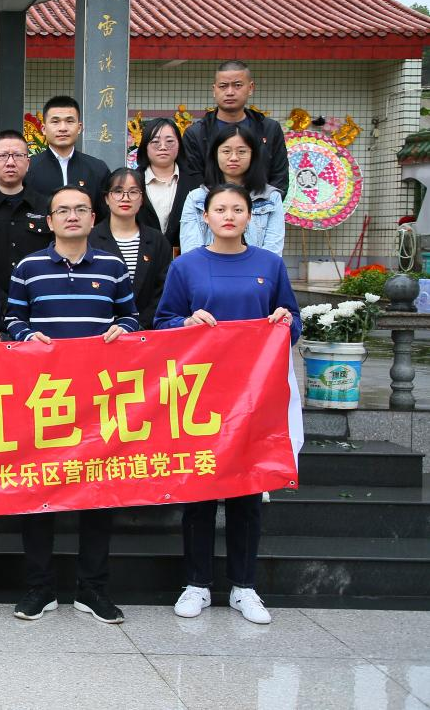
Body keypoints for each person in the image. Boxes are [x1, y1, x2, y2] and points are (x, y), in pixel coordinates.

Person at [155, 182, 301, 625]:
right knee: (199, 491)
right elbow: (163, 323)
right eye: (220, 209)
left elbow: (292, 324)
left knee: (247, 492)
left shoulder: (269, 265)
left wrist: (284, 321)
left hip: (254, 396)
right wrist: (186, 322)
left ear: (249, 217)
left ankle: (244, 586)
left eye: (237, 209)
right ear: (206, 216)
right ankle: (196, 583)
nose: (229, 216)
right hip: (201, 396)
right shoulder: (186, 266)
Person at [4, 185, 139, 625]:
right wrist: (28, 336)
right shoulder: (29, 267)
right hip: (44, 399)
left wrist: (123, 330)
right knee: (37, 490)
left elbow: (132, 316)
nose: (72, 216)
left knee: (97, 494)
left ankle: (92, 589)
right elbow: (12, 319)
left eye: (81, 209)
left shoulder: (113, 267)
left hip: (99, 400)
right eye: (62, 210)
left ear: (93, 218)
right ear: (49, 221)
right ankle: (39, 588)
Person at [181, 60, 289, 197]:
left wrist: (259, 205)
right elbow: (193, 181)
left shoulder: (269, 129)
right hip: (211, 207)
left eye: (237, 85)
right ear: (214, 90)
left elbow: (280, 177)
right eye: (223, 86)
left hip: (262, 206)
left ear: (250, 88)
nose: (230, 92)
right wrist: (220, 206)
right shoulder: (195, 133)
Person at [0, 129, 52, 302]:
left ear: (28, 163)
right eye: (3, 156)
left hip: (38, 300)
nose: (11, 162)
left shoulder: (46, 206)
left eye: (18, 156)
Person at [179, 124, 286, 255]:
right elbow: (191, 254)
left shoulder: (271, 198)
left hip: (257, 268)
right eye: (226, 151)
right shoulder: (196, 198)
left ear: (253, 155)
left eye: (241, 151)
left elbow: (272, 255)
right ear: (215, 155)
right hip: (207, 268)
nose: (234, 157)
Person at [89, 168, 171, 329]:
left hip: (147, 331)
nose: (125, 198)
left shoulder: (157, 240)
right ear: (106, 198)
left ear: (142, 199)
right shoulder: (90, 239)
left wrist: (137, 326)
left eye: (133, 192)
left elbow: (164, 288)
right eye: (118, 191)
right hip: (103, 331)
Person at [24, 95, 112, 220]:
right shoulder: (28, 168)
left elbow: (106, 217)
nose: (63, 128)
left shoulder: (97, 169)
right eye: (55, 122)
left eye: (69, 121)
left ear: (79, 128)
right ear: (43, 129)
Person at [135, 118, 195, 249]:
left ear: (179, 145)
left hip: (184, 255)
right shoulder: (132, 181)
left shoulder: (196, 183)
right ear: (145, 146)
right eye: (155, 142)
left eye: (169, 141)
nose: (163, 147)